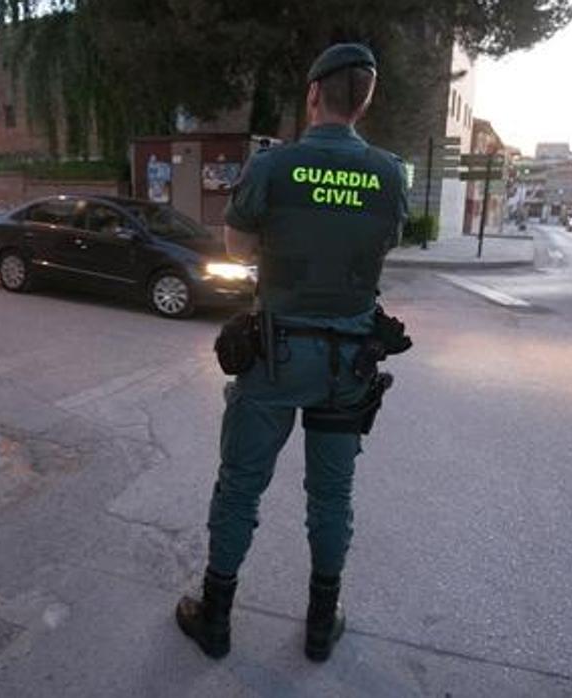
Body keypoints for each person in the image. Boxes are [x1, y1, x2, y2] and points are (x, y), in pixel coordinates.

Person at [176, 43, 410, 662]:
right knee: (331, 498)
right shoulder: (390, 173)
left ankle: (217, 618)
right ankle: (318, 624)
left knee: (241, 486)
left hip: (276, 356)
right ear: (366, 100)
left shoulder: (275, 166)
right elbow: (382, 246)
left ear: (313, 95)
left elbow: (236, 246)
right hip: (349, 361)